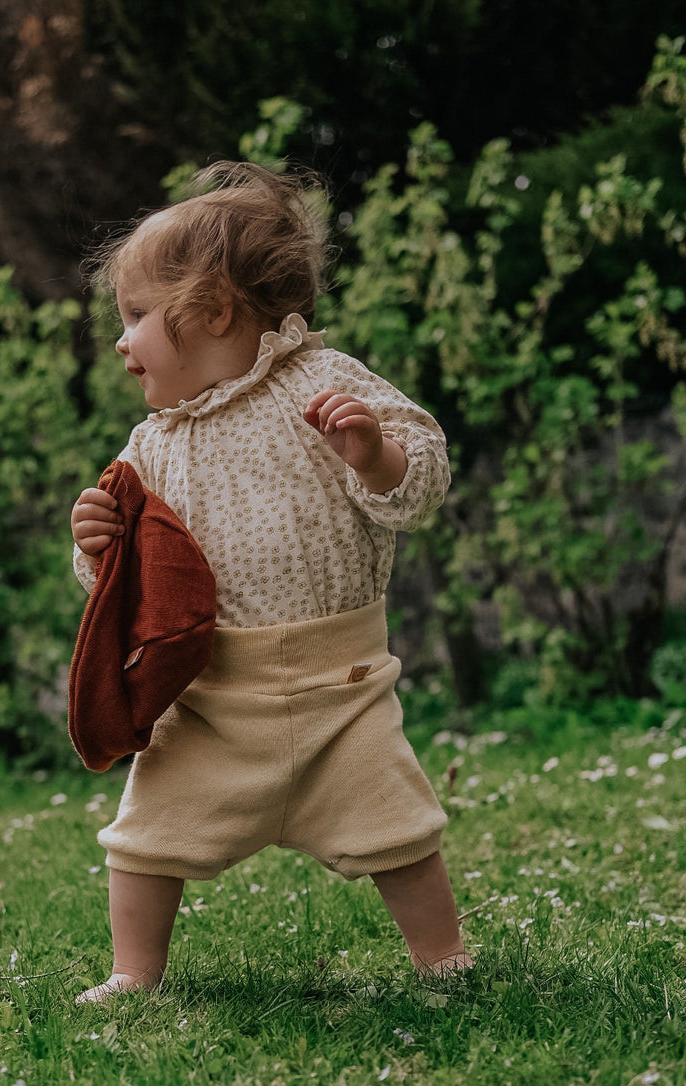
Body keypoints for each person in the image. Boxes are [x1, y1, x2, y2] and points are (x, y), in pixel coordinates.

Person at [71, 161, 471, 1002]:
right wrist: (99, 546)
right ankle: (133, 973)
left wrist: (373, 451)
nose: (122, 338)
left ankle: (445, 957)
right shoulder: (150, 445)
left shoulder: (325, 386)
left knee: (400, 827)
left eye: (139, 315)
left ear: (212, 311)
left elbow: (421, 483)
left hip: (343, 689)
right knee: (144, 837)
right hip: (212, 697)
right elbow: (127, 583)